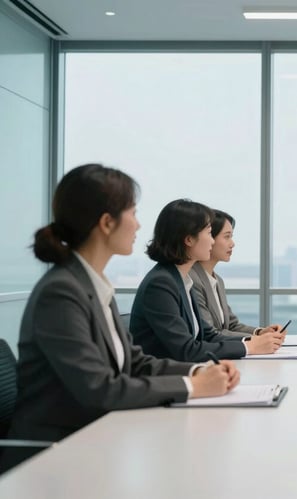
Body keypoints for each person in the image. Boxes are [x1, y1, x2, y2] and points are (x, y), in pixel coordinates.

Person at [1, 165, 239, 472]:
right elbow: (100, 389)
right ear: (106, 223)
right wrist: (194, 387)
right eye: (133, 213)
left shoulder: (92, 283)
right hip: (52, 459)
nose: (139, 226)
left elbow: (134, 362)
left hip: (95, 441)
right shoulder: (60, 293)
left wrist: (202, 370)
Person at [130, 199, 275, 361]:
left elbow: (208, 335)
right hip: (165, 378)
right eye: (208, 233)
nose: (212, 241)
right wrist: (249, 347)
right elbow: (187, 350)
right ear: (189, 239)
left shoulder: (181, 279)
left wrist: (254, 341)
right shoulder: (161, 283)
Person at [190, 209, 285, 353]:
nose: (232, 243)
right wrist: (254, 343)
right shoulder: (192, 279)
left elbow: (232, 325)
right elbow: (210, 333)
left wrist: (260, 333)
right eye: (227, 237)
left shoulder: (217, 280)